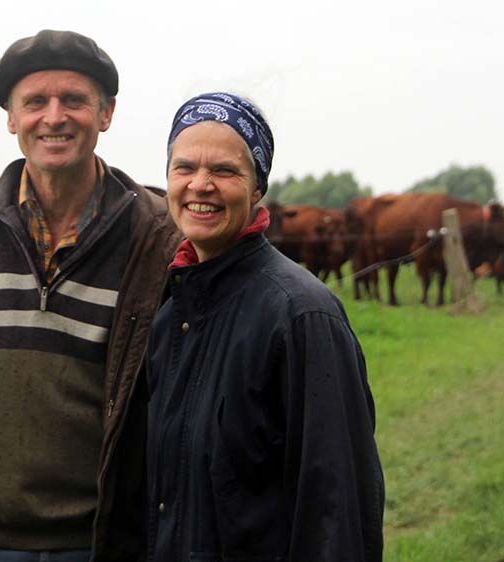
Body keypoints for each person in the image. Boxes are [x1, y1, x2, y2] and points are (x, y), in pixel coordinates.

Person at [0, 30, 181, 562]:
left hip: (106, 543)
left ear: (107, 113)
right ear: (11, 117)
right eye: (35, 101)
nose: (54, 117)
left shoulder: (158, 237)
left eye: (74, 100)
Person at [144, 92, 385, 562]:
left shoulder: (301, 314)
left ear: (257, 188)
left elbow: (336, 504)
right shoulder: (171, 310)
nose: (200, 185)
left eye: (225, 171)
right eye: (184, 167)